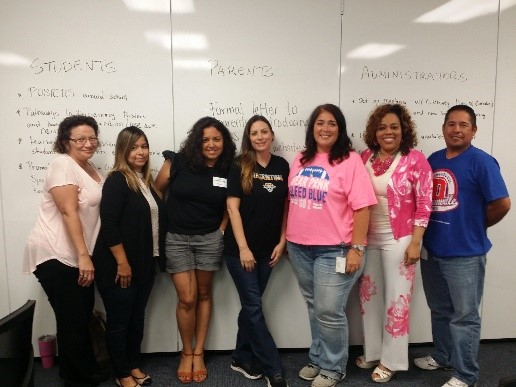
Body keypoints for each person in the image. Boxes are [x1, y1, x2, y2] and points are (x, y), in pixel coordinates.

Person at [414, 105, 511, 387]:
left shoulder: (482, 162)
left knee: (465, 317)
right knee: (440, 309)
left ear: (473, 130)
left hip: (466, 254)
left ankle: (466, 375)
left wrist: (475, 226)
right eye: (451, 124)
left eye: (463, 125)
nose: (457, 130)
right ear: (443, 128)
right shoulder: (433, 160)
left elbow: (502, 203)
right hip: (431, 251)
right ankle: (443, 357)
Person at [286, 104, 377, 387]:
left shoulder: (350, 161)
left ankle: (334, 367)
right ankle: (318, 358)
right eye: (320, 123)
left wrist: (357, 248)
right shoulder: (300, 159)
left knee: (329, 310)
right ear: (312, 127)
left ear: (340, 130)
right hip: (299, 247)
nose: (325, 129)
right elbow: (291, 202)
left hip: (335, 248)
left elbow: (363, 208)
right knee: (315, 306)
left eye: (332, 124)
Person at [23, 115, 108, 387]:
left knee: (78, 316)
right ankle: (79, 379)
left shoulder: (90, 167)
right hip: (56, 253)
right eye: (80, 139)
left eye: (92, 138)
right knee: (73, 319)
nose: (88, 143)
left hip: (76, 254)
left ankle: (77, 372)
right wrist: (83, 256)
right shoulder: (62, 165)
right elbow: (68, 211)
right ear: (65, 142)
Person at [155, 116, 236, 383]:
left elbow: (231, 205)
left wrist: (221, 229)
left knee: (203, 295)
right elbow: (157, 193)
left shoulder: (228, 169)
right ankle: (186, 352)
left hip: (209, 240)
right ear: (196, 141)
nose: (211, 144)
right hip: (176, 239)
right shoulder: (177, 162)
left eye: (216, 139)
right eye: (205, 139)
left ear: (223, 142)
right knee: (186, 298)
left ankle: (199, 352)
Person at [356, 104, 433, 382]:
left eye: (394, 127)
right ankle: (374, 351)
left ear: (403, 130)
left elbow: (425, 204)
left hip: (400, 238)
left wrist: (416, 242)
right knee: (368, 297)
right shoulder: (364, 156)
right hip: (367, 238)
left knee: (397, 300)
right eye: (382, 127)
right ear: (374, 132)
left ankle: (392, 360)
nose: (388, 132)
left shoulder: (415, 160)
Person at [92, 126, 165, 387]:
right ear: (123, 150)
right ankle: (121, 372)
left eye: (144, 146)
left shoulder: (145, 181)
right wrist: (122, 263)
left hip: (145, 264)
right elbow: (109, 225)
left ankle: (133, 364)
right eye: (134, 147)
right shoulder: (117, 180)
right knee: (120, 321)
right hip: (118, 266)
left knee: (136, 317)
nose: (140, 152)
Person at [224, 116, 290, 387]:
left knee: (251, 308)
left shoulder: (282, 166)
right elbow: (232, 208)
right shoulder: (240, 165)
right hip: (241, 252)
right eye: (254, 133)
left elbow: (286, 206)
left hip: (269, 251)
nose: (260, 137)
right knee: (253, 307)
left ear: (272, 135)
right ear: (248, 138)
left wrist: (282, 241)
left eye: (264, 132)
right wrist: (243, 248)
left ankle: (240, 356)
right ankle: (273, 368)